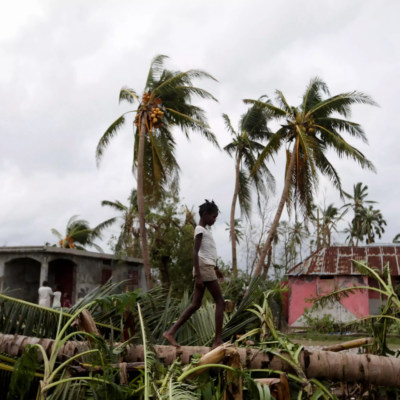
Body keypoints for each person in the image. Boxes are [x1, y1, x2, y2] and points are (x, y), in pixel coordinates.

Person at [164, 200, 225, 349]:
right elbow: (195, 252)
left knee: (195, 304)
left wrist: (216, 269)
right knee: (220, 302)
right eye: (213, 216)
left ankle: (171, 332)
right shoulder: (199, 230)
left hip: (206, 267)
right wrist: (198, 275)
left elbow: (207, 253)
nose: (215, 219)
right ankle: (217, 340)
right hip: (203, 269)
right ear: (205, 215)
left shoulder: (205, 231)